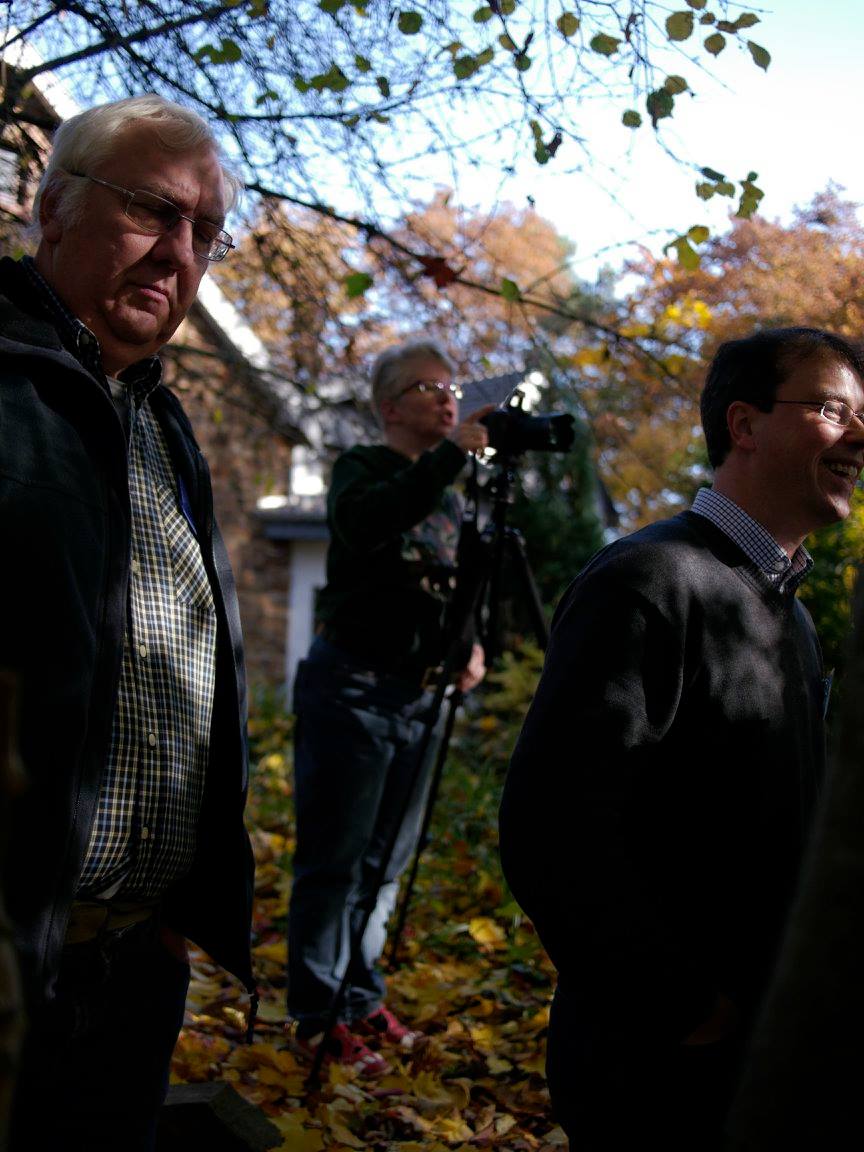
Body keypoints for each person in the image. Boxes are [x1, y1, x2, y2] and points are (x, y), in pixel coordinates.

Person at [498, 328, 864, 1150]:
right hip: (658, 1076)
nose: (859, 437)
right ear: (745, 424)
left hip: (755, 1065)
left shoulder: (792, 613)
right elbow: (550, 834)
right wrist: (689, 1012)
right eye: (833, 410)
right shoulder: (645, 582)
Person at [0, 95, 256, 1150]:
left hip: (131, 974)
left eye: (206, 232)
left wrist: (170, 925)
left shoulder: (162, 423)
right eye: (154, 209)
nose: (179, 252)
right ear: (53, 206)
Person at [287, 339, 489, 1075]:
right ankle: (317, 1017)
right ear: (389, 406)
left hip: (417, 693)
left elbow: (451, 583)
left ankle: (359, 996)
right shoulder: (362, 468)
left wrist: (468, 643)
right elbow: (368, 523)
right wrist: (450, 460)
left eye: (452, 387)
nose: (448, 399)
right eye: (429, 388)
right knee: (334, 864)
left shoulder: (451, 492)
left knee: (385, 866)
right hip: (353, 687)